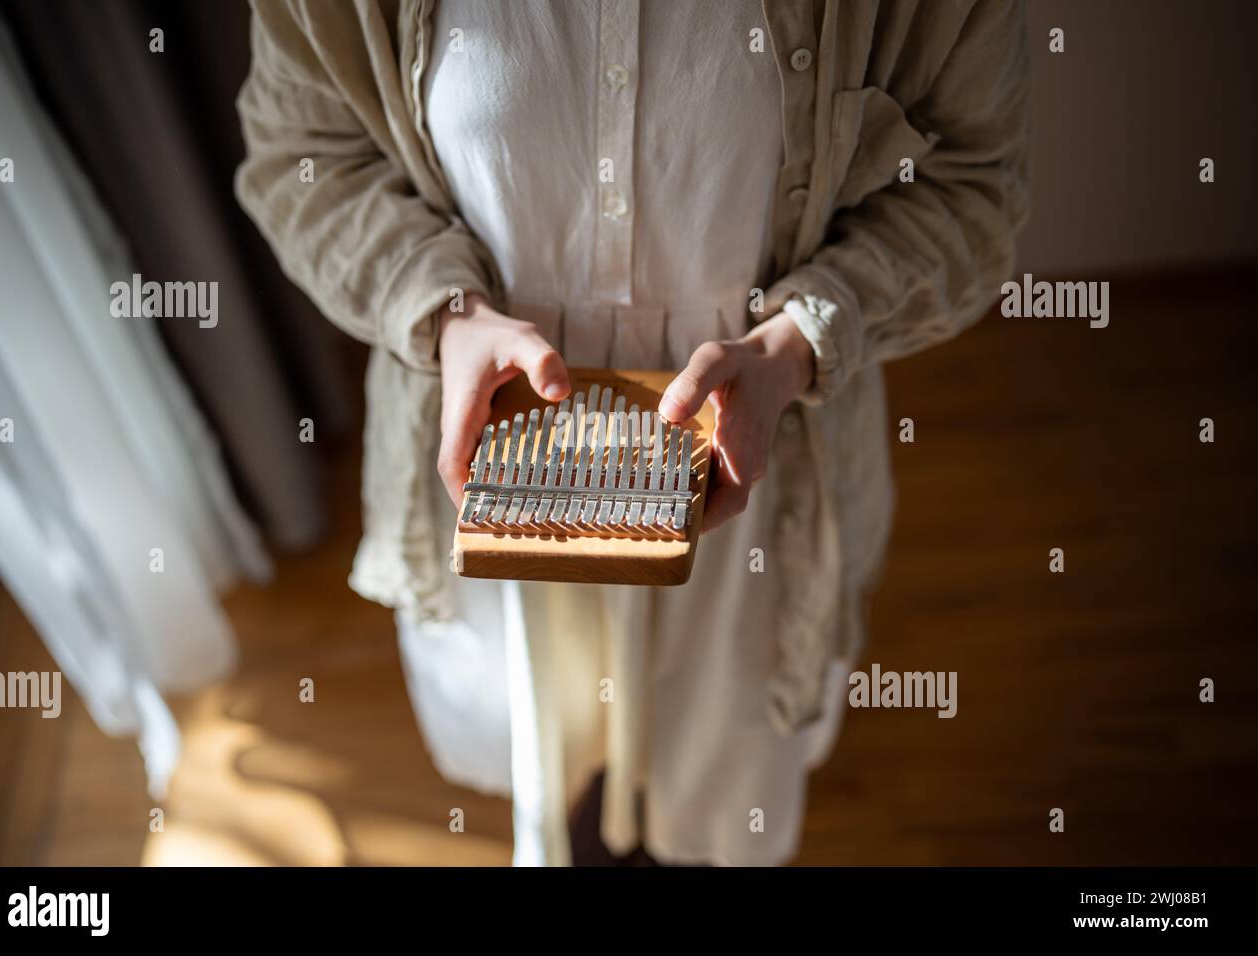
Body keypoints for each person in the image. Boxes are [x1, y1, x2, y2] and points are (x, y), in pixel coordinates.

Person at [235, 0, 1030, 866]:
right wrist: (447, 313)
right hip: (496, 454)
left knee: (721, 755)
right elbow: (301, 158)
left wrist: (800, 342)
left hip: (754, 449)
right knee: (547, 736)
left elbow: (972, 188)